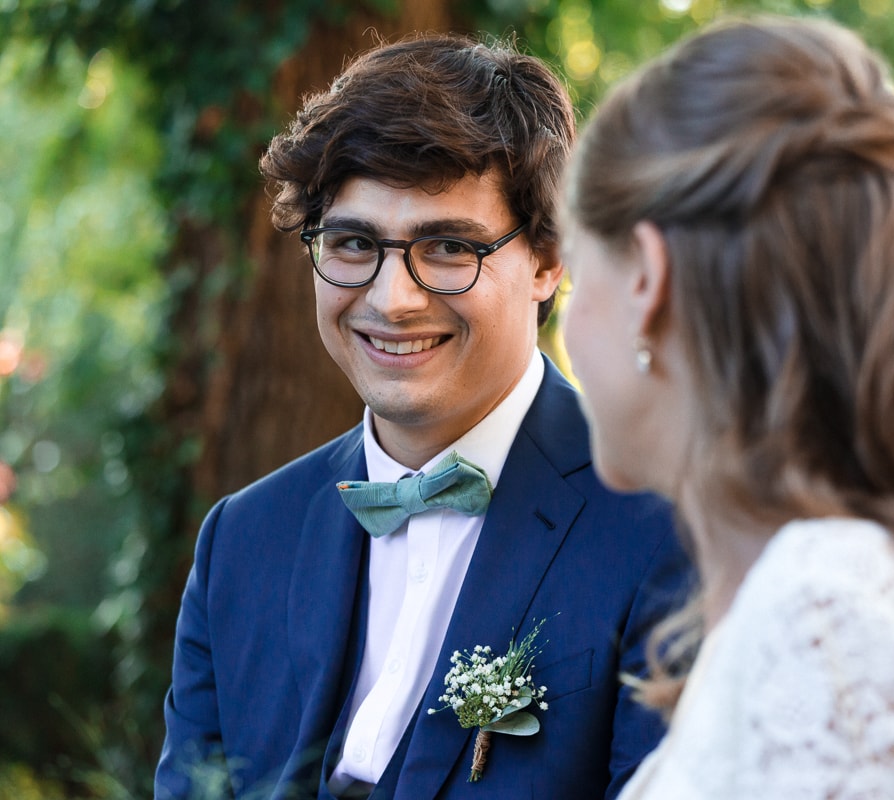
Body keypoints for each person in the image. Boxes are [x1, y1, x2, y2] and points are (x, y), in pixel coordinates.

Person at [155, 33, 686, 800]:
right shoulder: (242, 540)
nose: (391, 299)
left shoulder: (666, 521)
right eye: (353, 243)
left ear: (547, 260)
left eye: (446, 248)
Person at [560, 15, 894, 799]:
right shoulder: (845, 589)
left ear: (645, 281)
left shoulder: (826, 620)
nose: (566, 324)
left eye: (572, 277)